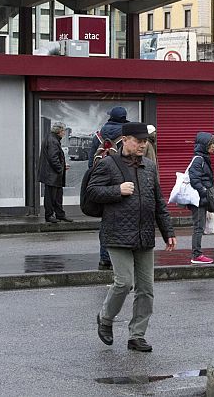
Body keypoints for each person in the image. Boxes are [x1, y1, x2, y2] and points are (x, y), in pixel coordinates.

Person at [88, 122, 176, 353]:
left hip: (144, 234)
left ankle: (137, 335)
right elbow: (92, 191)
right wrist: (117, 190)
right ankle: (105, 318)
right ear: (125, 139)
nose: (142, 145)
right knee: (124, 282)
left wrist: (168, 232)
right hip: (117, 233)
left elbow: (158, 202)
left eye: (145, 141)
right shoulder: (108, 164)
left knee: (146, 288)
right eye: (138, 141)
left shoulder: (149, 166)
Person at [90, 106, 128, 270]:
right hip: (121, 184)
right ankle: (118, 259)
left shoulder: (98, 135)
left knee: (106, 223)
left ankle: (104, 258)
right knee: (123, 223)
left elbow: (90, 164)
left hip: (102, 185)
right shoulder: (126, 136)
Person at [187, 132, 214, 265]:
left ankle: (197, 253)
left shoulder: (203, 158)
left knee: (200, 226)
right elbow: (194, 179)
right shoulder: (199, 159)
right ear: (204, 145)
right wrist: (204, 191)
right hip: (198, 199)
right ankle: (196, 255)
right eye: (211, 144)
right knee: (198, 227)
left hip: (201, 198)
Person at [38, 121, 72, 223]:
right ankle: (50, 215)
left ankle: (59, 214)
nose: (64, 133)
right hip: (52, 175)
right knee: (51, 196)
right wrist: (60, 168)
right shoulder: (53, 141)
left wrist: (61, 166)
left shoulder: (52, 139)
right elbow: (53, 158)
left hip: (52, 174)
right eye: (63, 131)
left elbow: (53, 157)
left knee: (57, 195)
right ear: (59, 131)